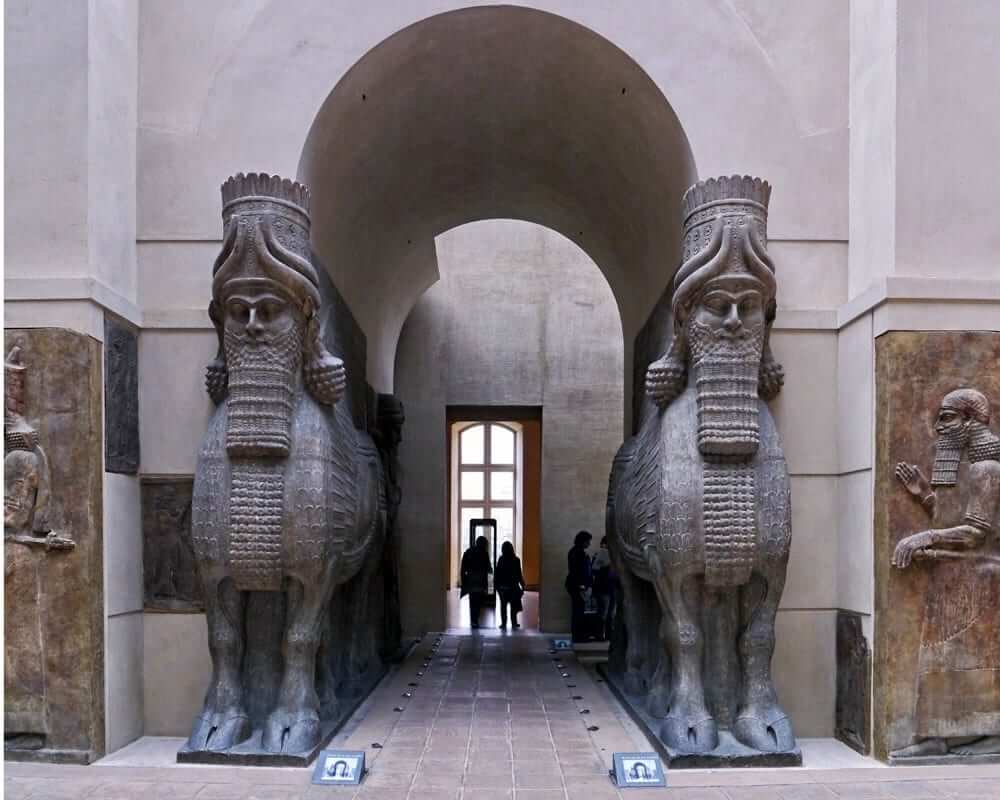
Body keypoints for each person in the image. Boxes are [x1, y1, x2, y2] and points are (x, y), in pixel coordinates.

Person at [565, 530, 593, 642]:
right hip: (577, 586)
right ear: (583, 541)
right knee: (578, 611)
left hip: (574, 585)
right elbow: (578, 571)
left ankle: (577, 635)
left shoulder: (574, 551)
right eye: (588, 541)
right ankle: (578, 636)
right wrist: (582, 585)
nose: (589, 544)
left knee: (577, 611)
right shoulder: (579, 553)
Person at [460, 535, 492, 629]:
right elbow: (488, 569)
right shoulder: (484, 553)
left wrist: (464, 582)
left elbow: (463, 569)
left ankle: (473, 620)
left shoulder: (468, 552)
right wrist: (490, 587)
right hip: (481, 582)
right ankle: (475, 620)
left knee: (472, 602)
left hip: (471, 581)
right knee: (478, 602)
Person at [494, 541, 525, 630]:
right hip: (513, 586)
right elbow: (519, 574)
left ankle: (503, 623)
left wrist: (496, 586)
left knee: (503, 606)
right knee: (513, 606)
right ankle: (514, 623)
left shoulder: (501, 559)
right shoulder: (516, 560)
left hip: (503, 587)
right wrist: (523, 585)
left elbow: (498, 573)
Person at [591, 535, 617, 641]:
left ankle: (609, 635)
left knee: (611, 613)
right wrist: (607, 566)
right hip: (603, 587)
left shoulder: (614, 554)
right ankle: (599, 635)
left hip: (612, 586)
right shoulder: (600, 554)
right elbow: (594, 569)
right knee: (603, 613)